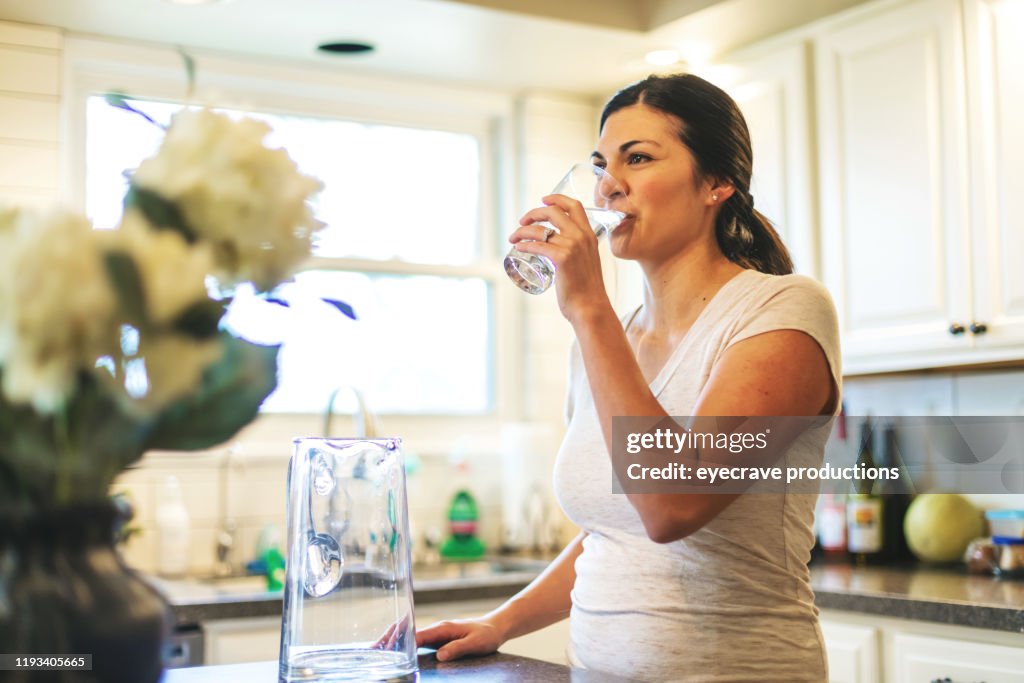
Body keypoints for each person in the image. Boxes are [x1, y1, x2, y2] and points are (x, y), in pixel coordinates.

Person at [416, 73, 841, 682]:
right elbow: (611, 536)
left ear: (716, 184)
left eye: (638, 158)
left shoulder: (783, 311)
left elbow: (671, 506)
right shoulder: (607, 341)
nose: (608, 184)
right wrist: (502, 622)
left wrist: (589, 311)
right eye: (600, 164)